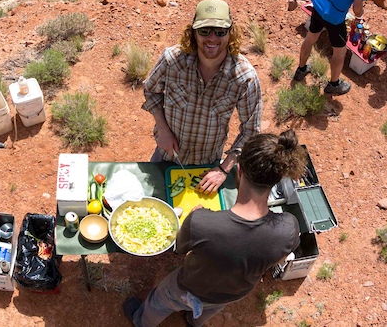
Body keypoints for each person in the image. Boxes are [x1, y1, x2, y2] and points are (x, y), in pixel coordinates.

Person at [123, 130, 306, 327]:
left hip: (188, 287)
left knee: (160, 301)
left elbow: (180, 250)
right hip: (235, 292)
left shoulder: (201, 222)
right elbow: (277, 258)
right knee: (212, 307)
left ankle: (141, 322)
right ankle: (194, 322)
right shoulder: (289, 227)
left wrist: (198, 216)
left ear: (239, 170)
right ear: (277, 179)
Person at [142, 0, 262, 195]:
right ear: (193, 32)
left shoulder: (244, 77)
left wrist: (224, 169)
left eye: (220, 31)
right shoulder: (172, 60)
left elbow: (251, 130)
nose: (212, 38)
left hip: (208, 166)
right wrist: (163, 129)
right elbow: (150, 90)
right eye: (204, 30)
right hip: (166, 157)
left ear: (230, 32)